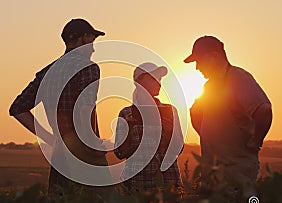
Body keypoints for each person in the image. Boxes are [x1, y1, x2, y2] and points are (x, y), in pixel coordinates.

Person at [9, 18, 108, 193]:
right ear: (83, 38)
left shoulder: (47, 72)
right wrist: (91, 143)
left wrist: (49, 138)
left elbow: (17, 109)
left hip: (60, 155)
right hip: (84, 152)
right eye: (92, 40)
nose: (93, 48)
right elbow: (85, 109)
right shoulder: (88, 68)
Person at [183, 36, 272, 190]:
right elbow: (195, 113)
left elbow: (264, 110)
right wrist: (208, 135)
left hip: (237, 173)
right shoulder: (209, 86)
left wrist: (256, 141)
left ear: (214, 57)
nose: (197, 67)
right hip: (213, 174)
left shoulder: (238, 78)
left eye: (199, 61)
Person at [114, 62, 184, 191]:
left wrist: (168, 129)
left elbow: (178, 148)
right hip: (138, 183)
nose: (158, 83)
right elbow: (119, 152)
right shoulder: (127, 113)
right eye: (152, 78)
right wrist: (130, 128)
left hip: (168, 183)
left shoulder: (169, 111)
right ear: (138, 82)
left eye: (160, 78)